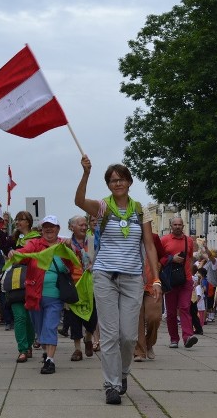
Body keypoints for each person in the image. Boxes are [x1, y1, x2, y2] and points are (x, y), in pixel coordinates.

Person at [75, 155, 161, 405]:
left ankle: (123, 373)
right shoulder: (102, 207)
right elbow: (79, 201)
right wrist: (86, 173)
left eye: (121, 179)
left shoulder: (139, 209)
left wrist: (155, 278)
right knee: (111, 335)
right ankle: (111, 385)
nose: (117, 183)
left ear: (129, 182)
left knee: (129, 337)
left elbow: (149, 245)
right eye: (113, 180)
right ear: (108, 185)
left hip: (133, 277)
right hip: (105, 276)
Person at [6, 215, 78, 375]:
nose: (49, 229)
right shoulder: (35, 243)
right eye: (46, 226)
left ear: (58, 229)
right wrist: (15, 253)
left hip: (55, 296)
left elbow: (77, 258)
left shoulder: (63, 245)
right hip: (34, 295)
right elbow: (25, 251)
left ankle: (50, 361)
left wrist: (72, 247)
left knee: (50, 327)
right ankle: (46, 352)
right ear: (41, 229)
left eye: (52, 226)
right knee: (40, 330)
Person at [160, 216, 197, 349]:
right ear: (171, 226)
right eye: (174, 224)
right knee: (170, 312)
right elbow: (159, 259)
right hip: (170, 280)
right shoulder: (164, 240)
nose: (177, 226)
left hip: (185, 279)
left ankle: (187, 337)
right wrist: (171, 258)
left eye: (179, 224)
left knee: (185, 307)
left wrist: (191, 276)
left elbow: (190, 258)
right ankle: (174, 339)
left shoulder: (189, 241)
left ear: (183, 226)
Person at [8, 210, 40, 363]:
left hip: (32, 279)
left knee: (29, 317)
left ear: (28, 222)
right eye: (16, 219)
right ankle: (22, 348)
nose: (17, 222)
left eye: (21, 219)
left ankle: (29, 345)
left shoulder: (37, 239)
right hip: (14, 282)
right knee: (19, 316)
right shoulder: (11, 239)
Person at [66, 215, 100, 360]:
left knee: (92, 316)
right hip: (74, 284)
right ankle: (77, 349)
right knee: (74, 317)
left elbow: (101, 256)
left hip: (91, 284)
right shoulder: (67, 244)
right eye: (80, 224)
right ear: (72, 227)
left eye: (85, 224)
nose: (84, 227)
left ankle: (88, 337)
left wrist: (95, 265)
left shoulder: (93, 240)